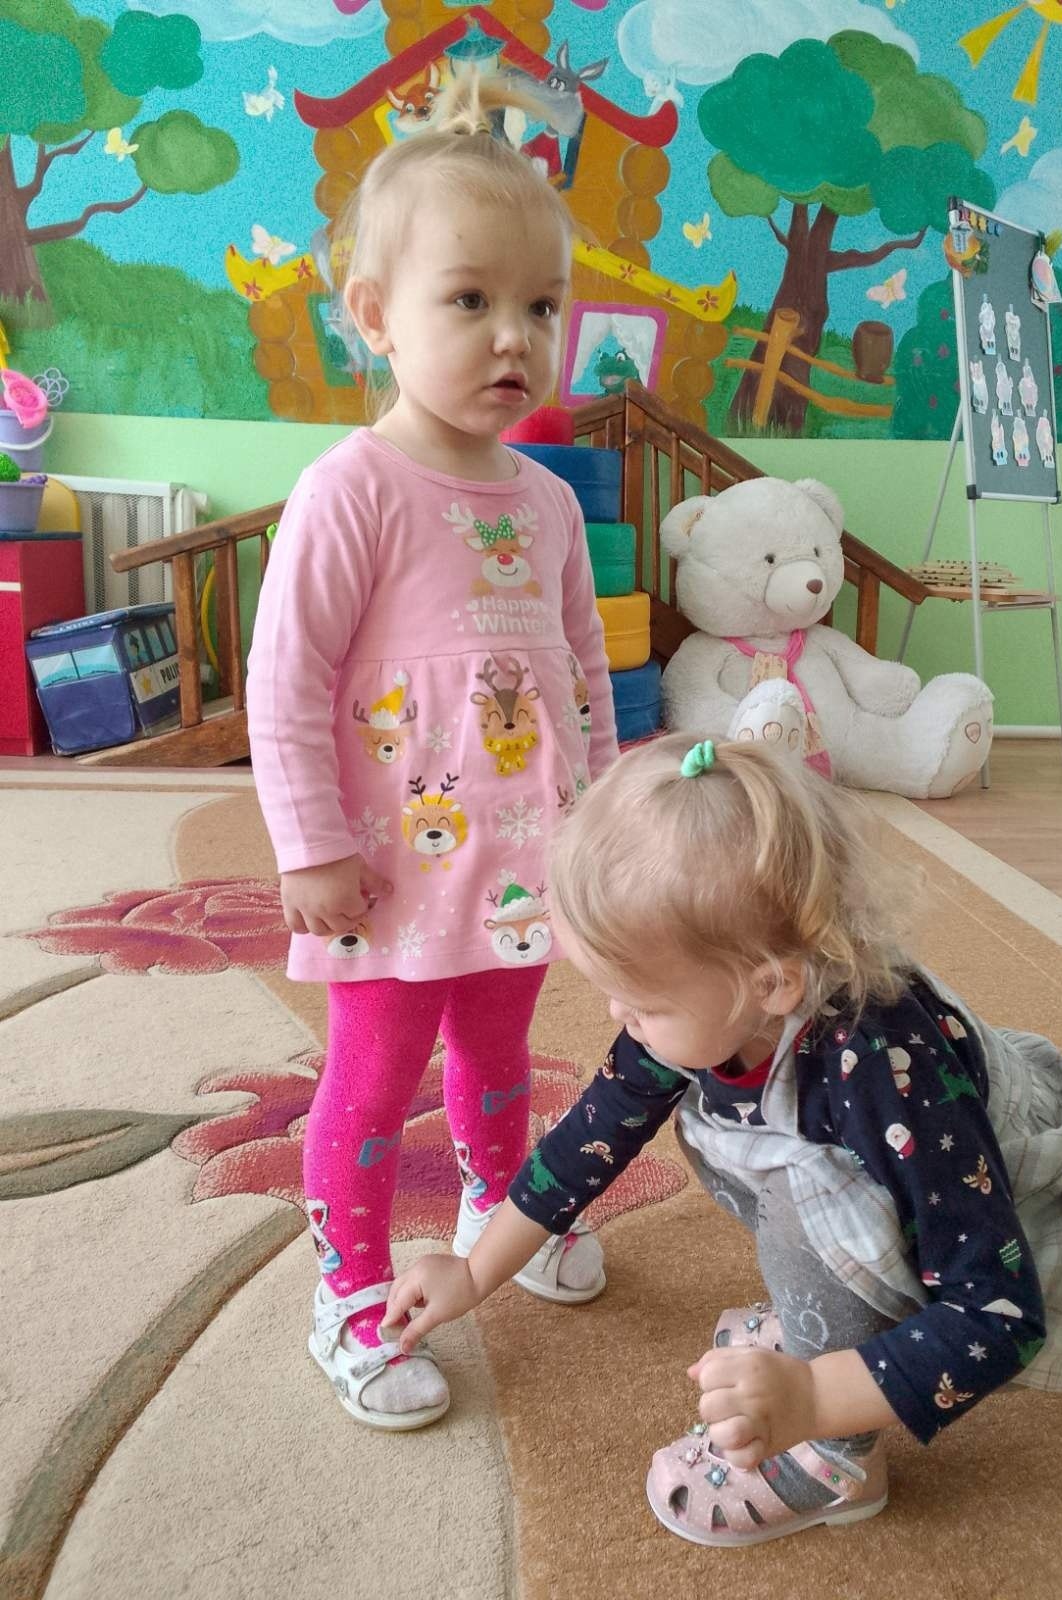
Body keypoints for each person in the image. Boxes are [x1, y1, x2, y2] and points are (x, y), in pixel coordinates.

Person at [382, 735, 1062, 1545]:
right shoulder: (722, 999)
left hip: (978, 1195)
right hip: (881, 1179)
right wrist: (475, 1270)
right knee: (731, 1136)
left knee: (800, 1196)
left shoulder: (883, 1075)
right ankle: (834, 1316)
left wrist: (812, 1399)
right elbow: (593, 1134)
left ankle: (840, 1464)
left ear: (771, 984)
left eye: (641, 1003)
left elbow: (1000, 1315)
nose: (618, 1017)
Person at [246, 67, 618, 1431]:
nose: (515, 336)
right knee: (372, 1077)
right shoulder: (349, 488)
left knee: (502, 1053)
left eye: (542, 306)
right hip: (387, 870)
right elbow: (284, 678)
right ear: (374, 317)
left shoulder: (550, 502)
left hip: (522, 862)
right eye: (470, 300)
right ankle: (349, 1290)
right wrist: (309, 845)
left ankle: (495, 1210)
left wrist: (602, 822)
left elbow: (583, 673)